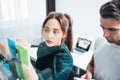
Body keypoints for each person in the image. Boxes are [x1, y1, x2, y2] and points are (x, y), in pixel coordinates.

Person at [17, 11, 73, 80]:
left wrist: (26, 61)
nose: (49, 36)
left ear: (63, 34)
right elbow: (38, 69)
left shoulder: (65, 59)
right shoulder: (42, 45)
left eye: (55, 32)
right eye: (46, 30)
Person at [81, 0, 120, 80]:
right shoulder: (100, 41)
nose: (105, 35)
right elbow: (91, 65)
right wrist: (89, 73)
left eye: (112, 29)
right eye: (102, 27)